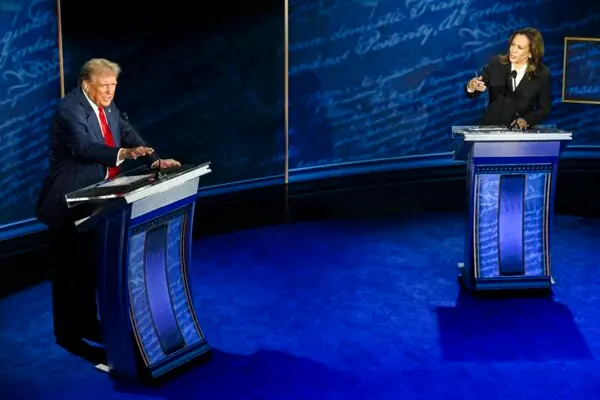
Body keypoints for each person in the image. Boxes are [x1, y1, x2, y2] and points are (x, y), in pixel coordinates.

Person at [36, 58, 181, 361]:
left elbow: (125, 130)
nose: (110, 91)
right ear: (86, 84)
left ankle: (88, 322)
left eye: (113, 85)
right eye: (104, 86)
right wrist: (122, 154)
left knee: (89, 267)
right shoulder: (69, 110)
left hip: (99, 197)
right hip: (69, 201)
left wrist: (153, 158)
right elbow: (84, 148)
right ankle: (67, 335)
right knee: (68, 272)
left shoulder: (107, 104)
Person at [465, 27, 552, 129]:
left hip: (520, 136)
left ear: (531, 53)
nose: (513, 50)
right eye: (512, 44)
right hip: (490, 132)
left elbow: (544, 109)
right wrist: (471, 86)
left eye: (519, 47)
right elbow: (477, 88)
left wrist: (526, 120)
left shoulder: (542, 74)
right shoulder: (496, 64)